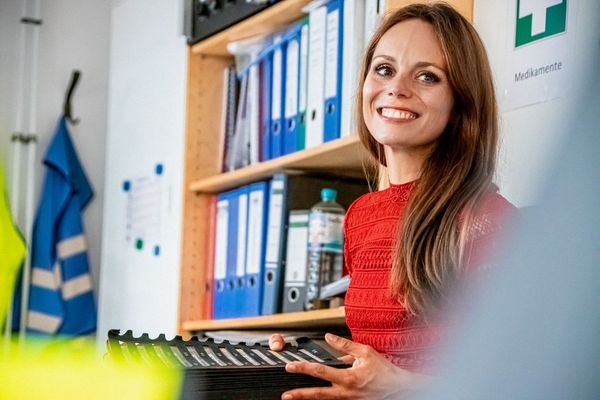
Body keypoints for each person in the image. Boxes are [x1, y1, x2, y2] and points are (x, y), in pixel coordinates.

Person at [270, 2, 518, 399]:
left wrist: (400, 387)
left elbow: (527, 380)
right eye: (384, 69)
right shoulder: (360, 216)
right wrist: (310, 358)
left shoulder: (488, 219)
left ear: (460, 104)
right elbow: (376, 361)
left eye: (427, 76)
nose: (397, 88)